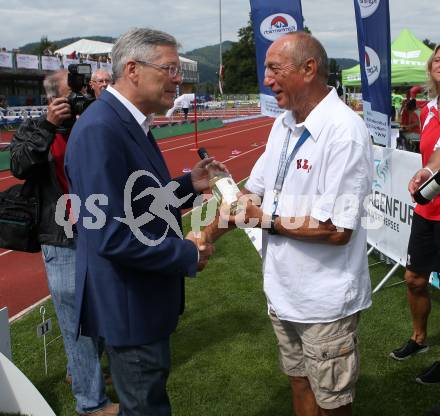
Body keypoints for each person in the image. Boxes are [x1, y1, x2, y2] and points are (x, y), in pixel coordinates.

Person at [203, 32, 373, 416]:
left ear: (309, 69)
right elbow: (254, 194)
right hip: (283, 294)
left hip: (324, 303)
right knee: (299, 384)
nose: (266, 79)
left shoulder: (344, 132)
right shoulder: (283, 124)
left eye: (274, 68)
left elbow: (336, 229)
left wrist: (266, 220)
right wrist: (207, 233)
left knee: (332, 403)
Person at [65, 28, 218, 416]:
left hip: (141, 301)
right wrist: (185, 253)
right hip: (130, 305)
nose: (177, 79)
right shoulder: (102, 129)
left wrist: (187, 185)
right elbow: (111, 235)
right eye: (169, 68)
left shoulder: (126, 122)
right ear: (132, 69)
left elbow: (140, 204)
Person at [9, 70, 117, 416]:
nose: (82, 96)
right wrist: (48, 126)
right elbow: (19, 165)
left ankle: (79, 373)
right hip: (61, 238)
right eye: (75, 93)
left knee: (99, 312)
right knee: (77, 323)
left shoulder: (90, 123)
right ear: (55, 98)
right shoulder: (35, 128)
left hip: (97, 231)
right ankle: (91, 403)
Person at [390, 45, 440, 390]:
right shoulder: (430, 107)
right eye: (437, 58)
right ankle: (419, 338)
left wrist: (428, 169)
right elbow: (433, 151)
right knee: (414, 279)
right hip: (428, 209)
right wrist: (424, 171)